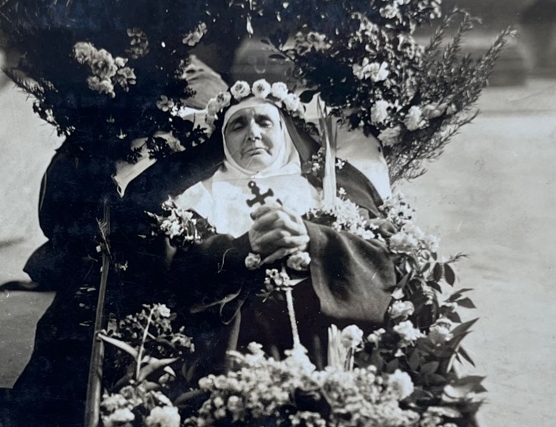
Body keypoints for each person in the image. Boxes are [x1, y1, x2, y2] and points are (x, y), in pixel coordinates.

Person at [120, 80, 397, 377]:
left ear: (285, 132)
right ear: (222, 140)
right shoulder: (194, 196)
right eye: (238, 125)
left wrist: (312, 238)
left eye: (265, 122)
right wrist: (242, 249)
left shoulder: (330, 186)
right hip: (231, 344)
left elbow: (380, 263)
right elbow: (167, 275)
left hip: (320, 334)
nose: (253, 133)